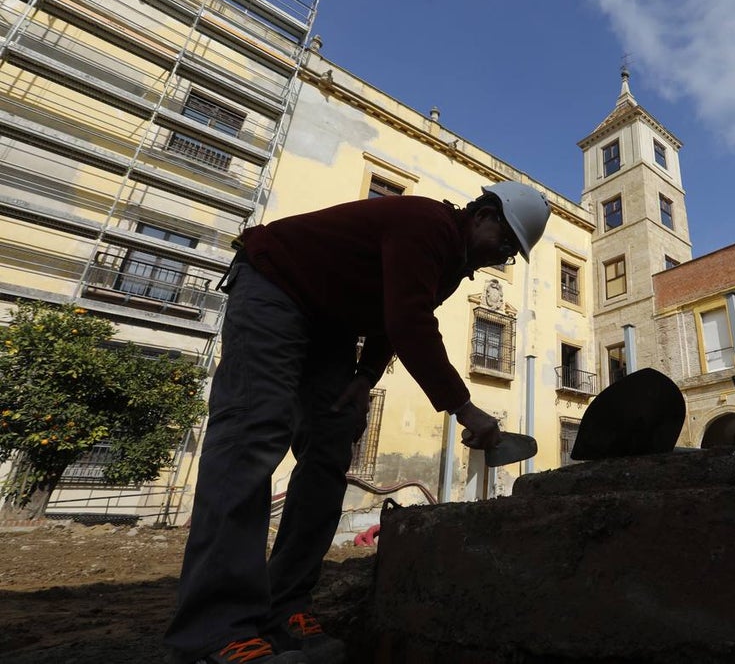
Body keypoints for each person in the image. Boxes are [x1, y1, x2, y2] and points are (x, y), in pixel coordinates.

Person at [163, 181, 552, 664]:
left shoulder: (450, 267)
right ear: (483, 215)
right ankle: (215, 633)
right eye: (506, 242)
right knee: (252, 437)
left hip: (331, 326)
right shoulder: (425, 223)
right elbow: (409, 321)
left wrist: (365, 376)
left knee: (329, 448)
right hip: (274, 285)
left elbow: (395, 318)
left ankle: (284, 609)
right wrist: (463, 406)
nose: (504, 255)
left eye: (513, 252)